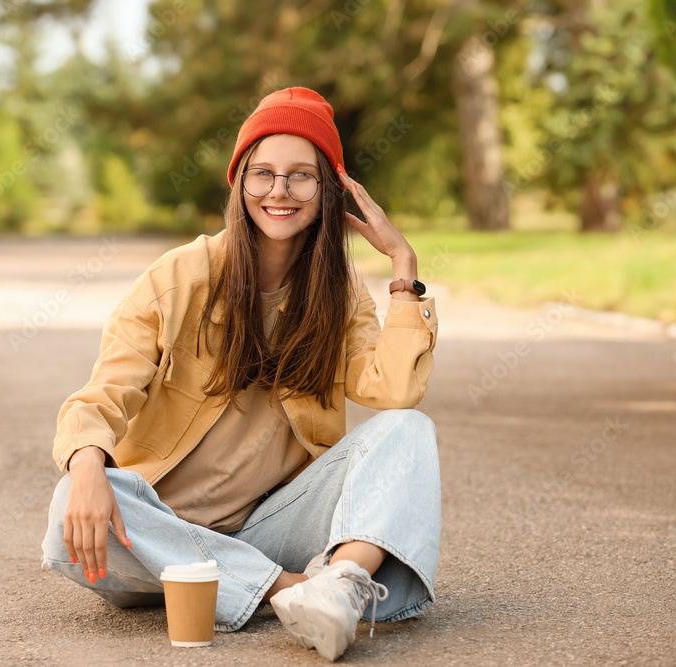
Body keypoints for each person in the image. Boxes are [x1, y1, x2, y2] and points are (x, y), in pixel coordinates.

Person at [41, 87, 441, 661]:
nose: (279, 192)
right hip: (158, 532)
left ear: (328, 190)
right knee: (69, 507)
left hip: (269, 526)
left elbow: (394, 391)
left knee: (408, 430)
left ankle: (340, 582)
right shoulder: (177, 278)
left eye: (302, 175)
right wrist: (86, 471)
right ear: (240, 183)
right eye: (263, 174)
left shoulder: (340, 292)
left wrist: (403, 269)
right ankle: (302, 593)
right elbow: (100, 397)